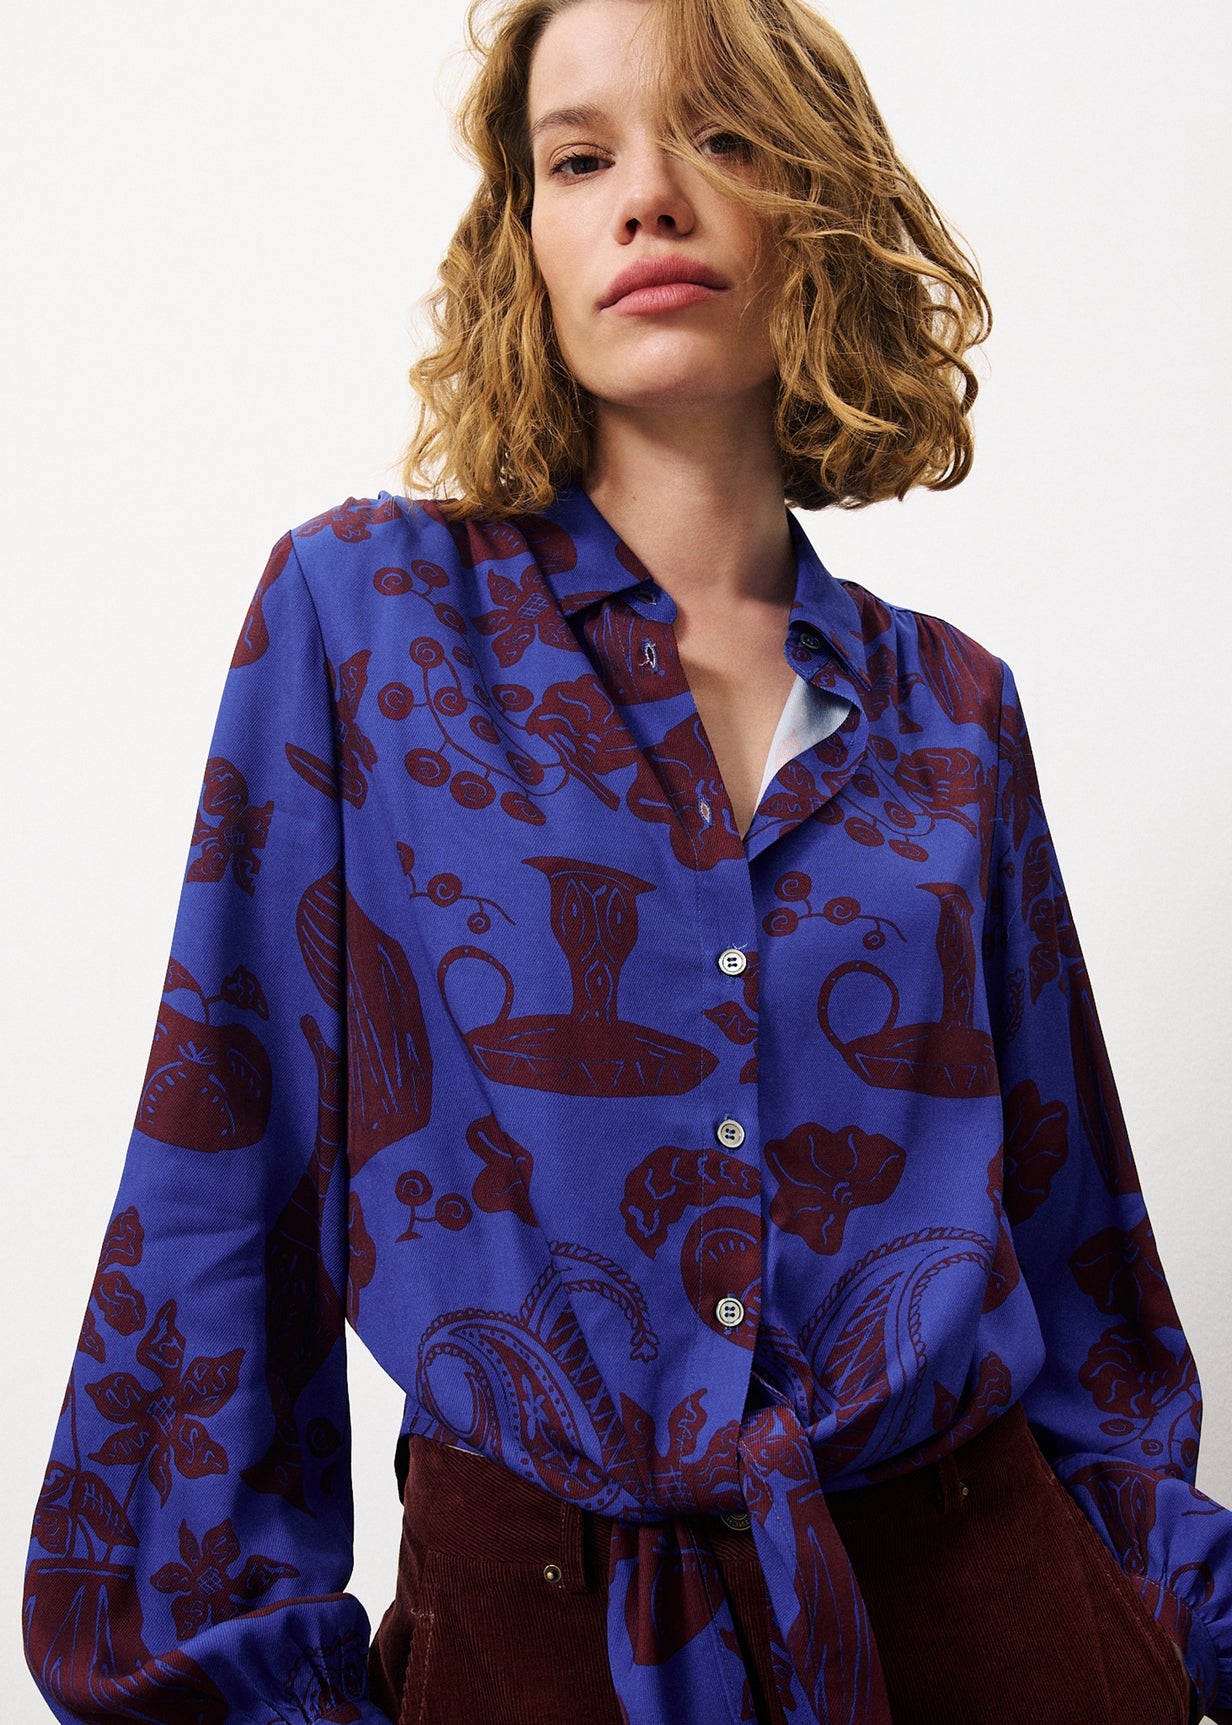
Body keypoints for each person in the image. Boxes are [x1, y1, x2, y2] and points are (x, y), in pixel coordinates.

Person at [21, 0, 1231, 1720]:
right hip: (537, 1642)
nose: (650, 196)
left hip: (993, 1619)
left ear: (813, 206)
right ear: (525, 239)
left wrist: (1172, 1618)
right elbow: (223, 1180)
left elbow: (1076, 1246)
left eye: (720, 137)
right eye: (580, 159)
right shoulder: (361, 623)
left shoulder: (954, 708)